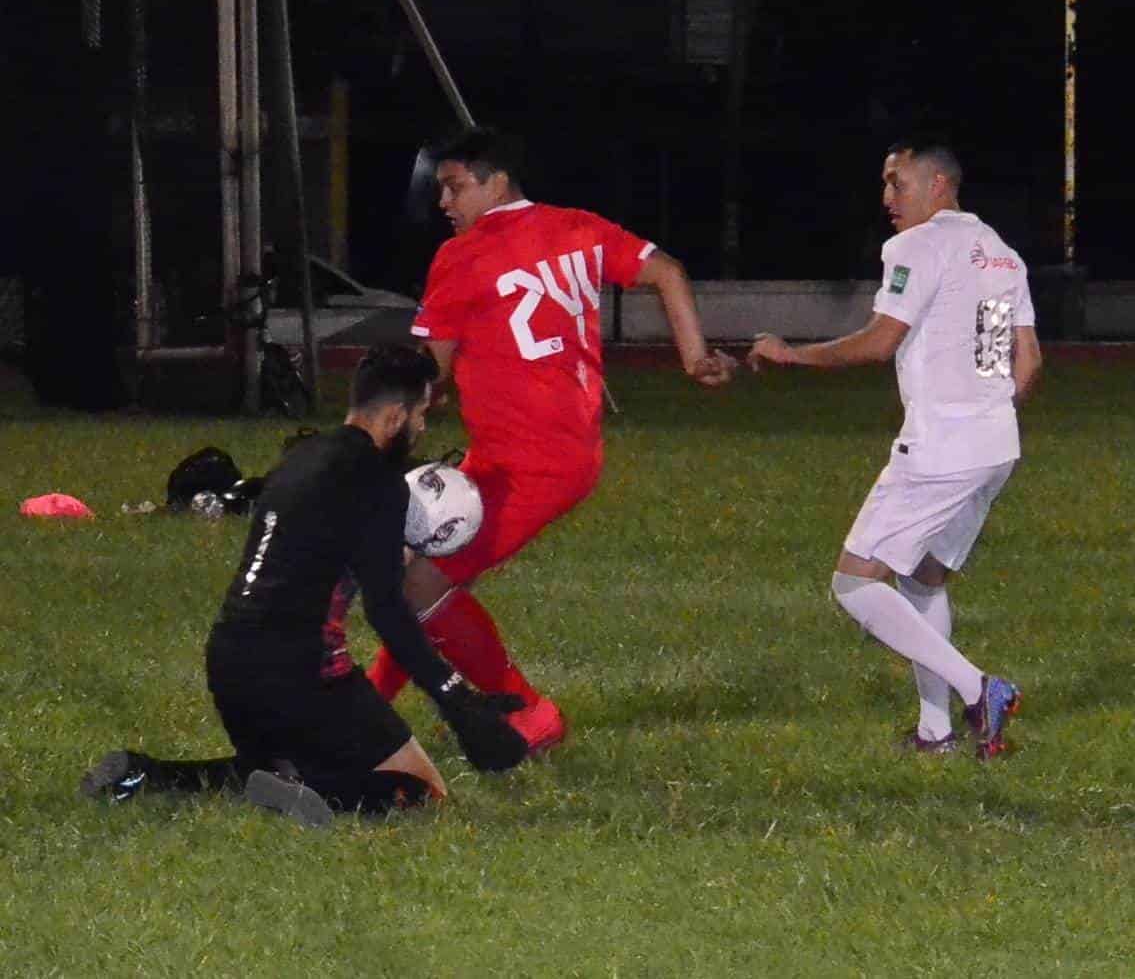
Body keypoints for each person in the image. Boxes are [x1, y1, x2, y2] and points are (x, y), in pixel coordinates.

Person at [365, 126, 736, 753]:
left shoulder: (462, 257)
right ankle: (370, 709)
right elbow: (668, 272)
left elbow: (429, 370)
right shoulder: (577, 227)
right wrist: (694, 358)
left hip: (530, 463)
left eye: (454, 188)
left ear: (496, 180)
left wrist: (377, 434)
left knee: (422, 584)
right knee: (420, 577)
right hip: (546, 452)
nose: (445, 204)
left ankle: (529, 715)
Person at [81, 344, 529, 826]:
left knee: (275, 765)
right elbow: (387, 612)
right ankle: (307, 791)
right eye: (420, 414)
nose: (422, 429)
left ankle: (149, 776)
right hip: (302, 675)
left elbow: (322, 550)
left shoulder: (301, 457)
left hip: (231, 664)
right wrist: (459, 703)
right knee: (419, 793)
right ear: (396, 415)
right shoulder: (379, 483)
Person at [748, 139, 1042, 759]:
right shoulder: (1002, 255)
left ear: (939, 184)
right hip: (995, 447)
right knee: (925, 580)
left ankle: (978, 688)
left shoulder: (917, 246)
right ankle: (936, 734)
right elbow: (1028, 362)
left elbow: (881, 342)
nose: (887, 198)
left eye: (897, 183)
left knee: (853, 583)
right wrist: (985, 414)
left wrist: (790, 354)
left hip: (941, 448)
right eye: (884, 185)